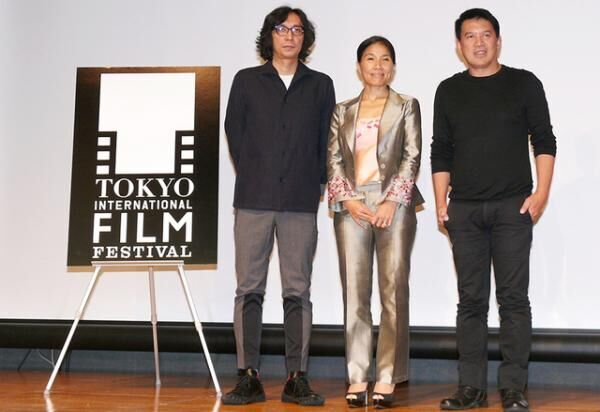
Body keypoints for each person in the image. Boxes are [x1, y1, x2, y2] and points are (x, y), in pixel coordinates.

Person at [431, 8, 556, 412]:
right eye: (470, 36)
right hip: (464, 211)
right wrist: (440, 202)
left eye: (486, 34)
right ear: (459, 45)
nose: (478, 42)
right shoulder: (448, 90)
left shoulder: (524, 83)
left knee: (513, 300)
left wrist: (541, 193)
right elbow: (440, 150)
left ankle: (513, 388)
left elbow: (544, 139)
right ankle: (471, 388)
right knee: (470, 302)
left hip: (511, 208)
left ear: (498, 41)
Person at [222, 5, 335, 407]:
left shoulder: (320, 85)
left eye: (297, 30)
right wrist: (258, 171)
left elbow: (326, 140)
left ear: (306, 39)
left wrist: (313, 181)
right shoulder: (246, 81)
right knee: (248, 289)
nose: (290, 36)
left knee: (297, 291)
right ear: (269, 35)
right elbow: (235, 132)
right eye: (282, 29)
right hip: (254, 198)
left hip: (300, 201)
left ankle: (296, 378)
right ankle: (247, 376)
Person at [327, 36, 423, 409]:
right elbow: (334, 158)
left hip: (392, 207)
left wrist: (392, 200)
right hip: (351, 207)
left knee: (393, 291)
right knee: (355, 292)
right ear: (359, 66)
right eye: (370, 58)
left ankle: (386, 376)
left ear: (393, 67)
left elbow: (412, 156)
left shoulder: (406, 105)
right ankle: (357, 375)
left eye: (385, 59)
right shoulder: (342, 110)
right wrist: (349, 200)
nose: (378, 66)